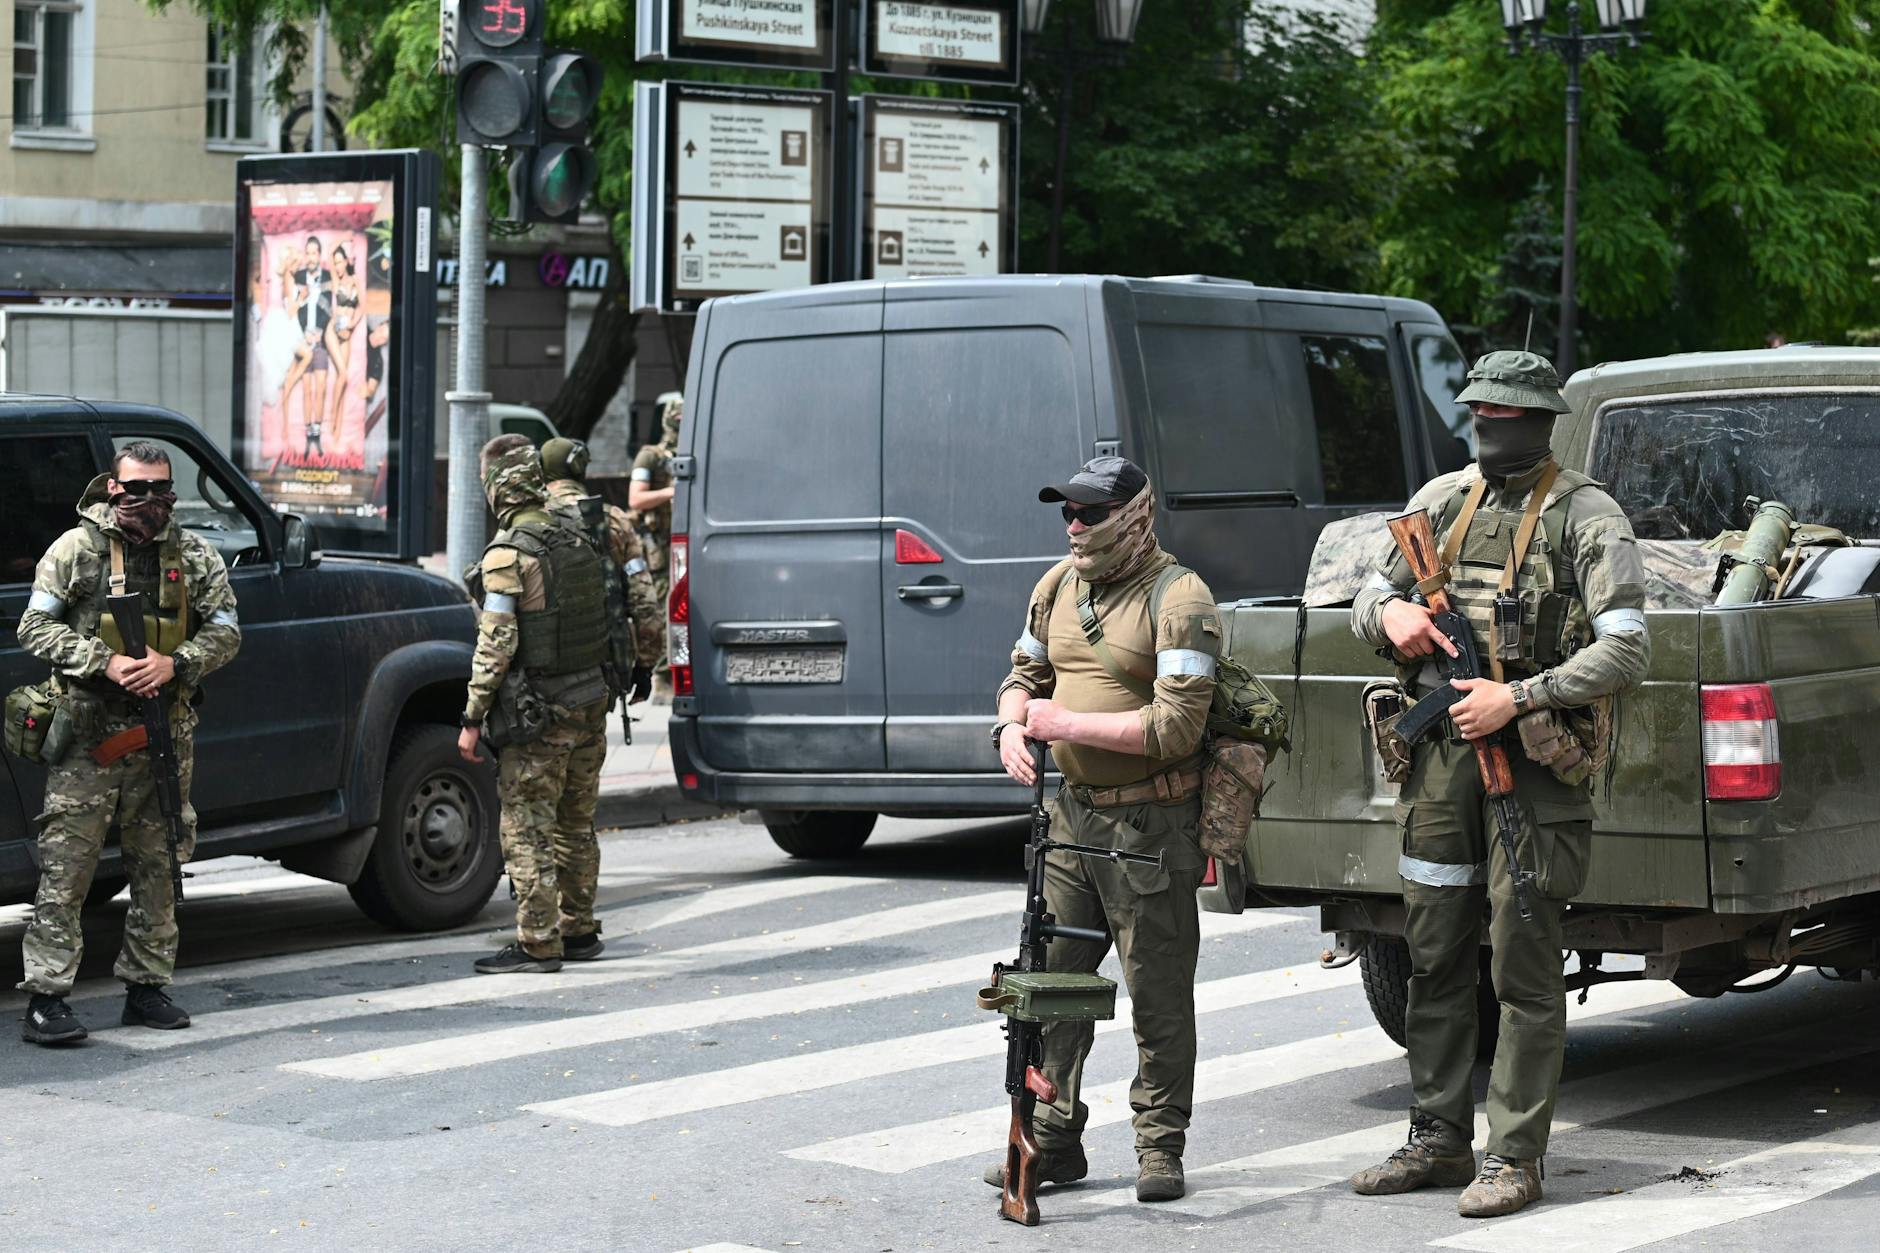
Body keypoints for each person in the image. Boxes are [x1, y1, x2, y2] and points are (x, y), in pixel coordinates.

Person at [1348, 350, 1650, 1217]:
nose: (1490, 429)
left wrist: (1515, 696)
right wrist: (1393, 614)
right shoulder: (1443, 503)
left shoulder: (1589, 516)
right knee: (1433, 949)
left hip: (1533, 761)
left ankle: (1514, 1153)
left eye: (1507, 417)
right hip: (1441, 761)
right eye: (1481, 413)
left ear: (1541, 421)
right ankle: (1437, 1138)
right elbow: (1371, 598)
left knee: (1522, 957)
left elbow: (1626, 647)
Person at [983, 455, 1220, 1204]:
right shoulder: (1056, 586)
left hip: (1150, 823)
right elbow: (1023, 675)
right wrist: (1010, 725)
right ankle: (1052, 1139)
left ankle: (1159, 1146)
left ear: (1133, 515)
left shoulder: (1179, 598)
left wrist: (1067, 721)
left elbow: (1180, 725)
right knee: (1053, 987)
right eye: (1067, 513)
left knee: (1156, 994)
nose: (1075, 526)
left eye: (1089, 513)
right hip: (1069, 818)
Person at [15, 442, 242, 1045]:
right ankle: (47, 996)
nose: (149, 500)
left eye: (161, 488)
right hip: (91, 732)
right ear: (111, 488)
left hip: (164, 731)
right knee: (68, 866)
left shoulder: (193, 554)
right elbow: (34, 625)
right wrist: (103, 662)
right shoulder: (76, 550)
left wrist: (178, 664)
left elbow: (226, 629)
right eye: (135, 488)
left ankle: (147, 986)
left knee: (160, 862)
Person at [457, 436, 612, 973]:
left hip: (542, 712)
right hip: (591, 698)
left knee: (526, 825)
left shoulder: (509, 553)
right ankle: (580, 929)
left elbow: (495, 642)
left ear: (497, 489)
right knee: (576, 821)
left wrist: (472, 717)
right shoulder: (577, 533)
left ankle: (538, 942)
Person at [540, 436, 663, 693]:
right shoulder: (613, 520)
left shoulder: (530, 520)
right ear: (579, 467)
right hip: (601, 660)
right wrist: (645, 664)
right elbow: (644, 598)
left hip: (543, 661)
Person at [627, 391, 683, 671]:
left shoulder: (691, 453)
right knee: (662, 608)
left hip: (688, 542)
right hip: (659, 545)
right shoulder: (650, 456)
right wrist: (671, 492)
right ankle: (662, 673)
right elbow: (636, 499)